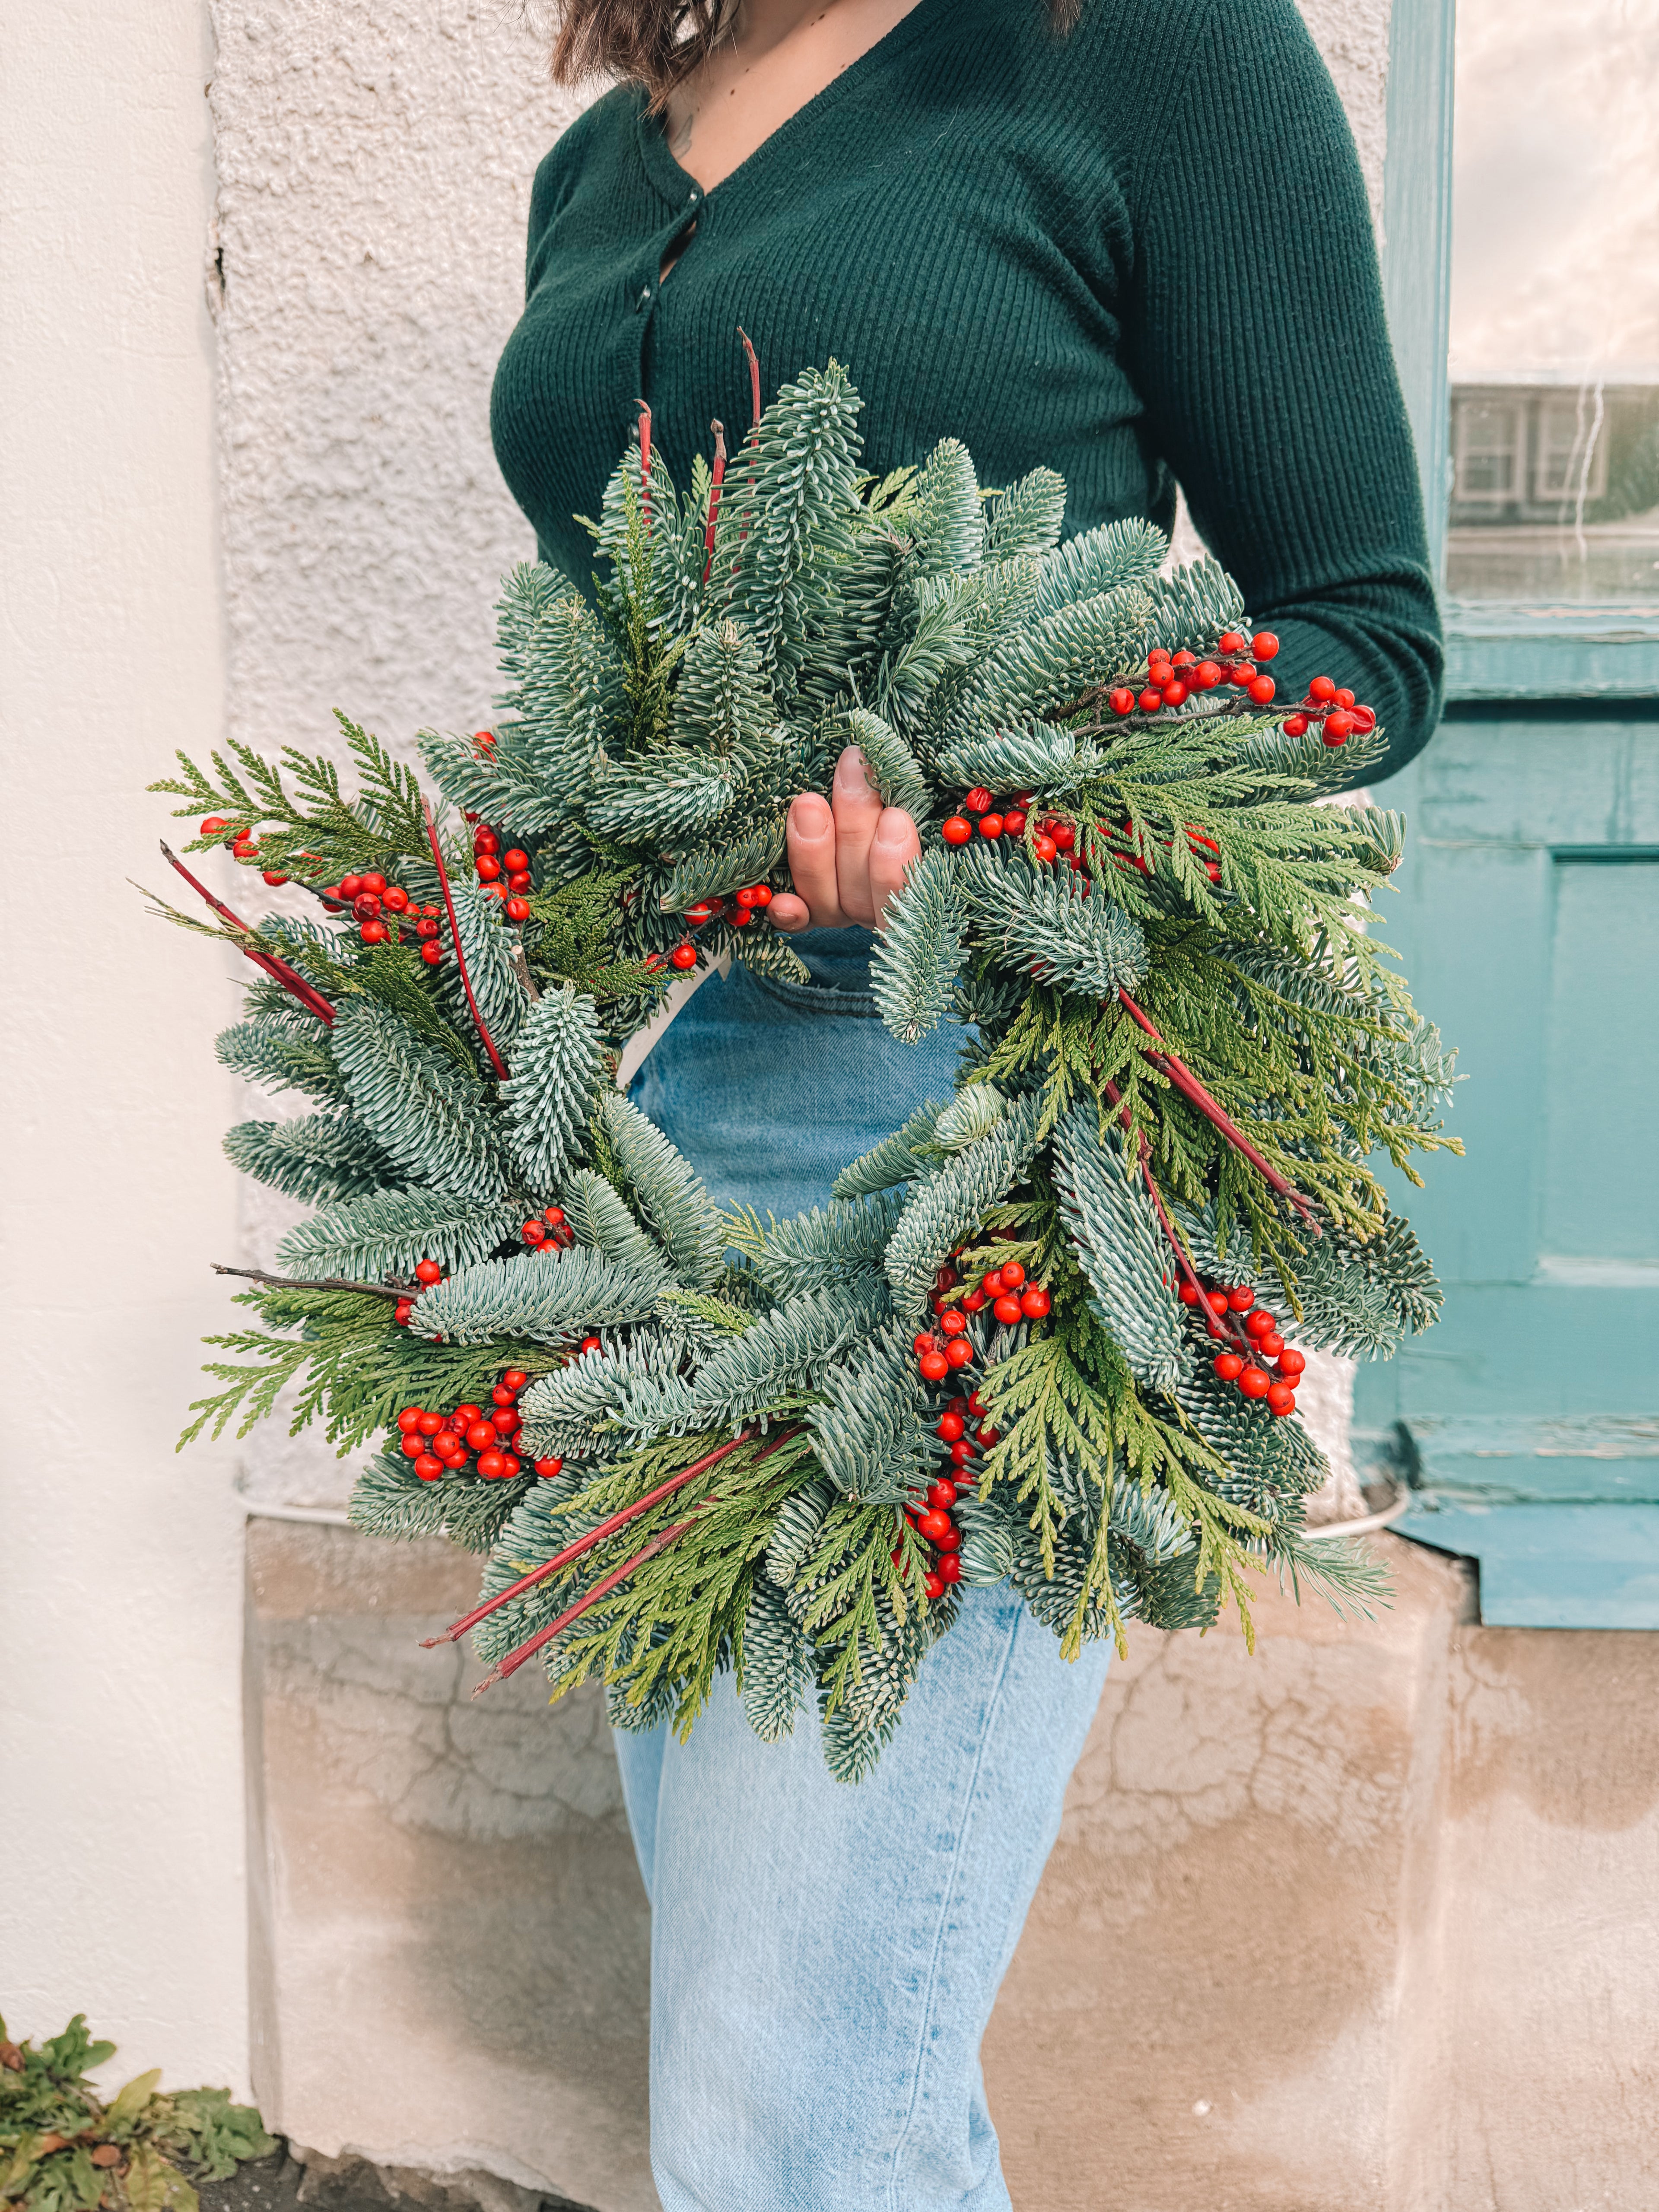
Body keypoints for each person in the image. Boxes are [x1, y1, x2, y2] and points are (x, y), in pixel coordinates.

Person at [490, 0, 1441, 2200]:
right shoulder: (613, 145)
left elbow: (1359, 634)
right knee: (797, 2049)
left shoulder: (1143, 47)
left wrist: (988, 805)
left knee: (794, 2096)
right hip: (685, 1087)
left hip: (992, 1093)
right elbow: (609, 651)